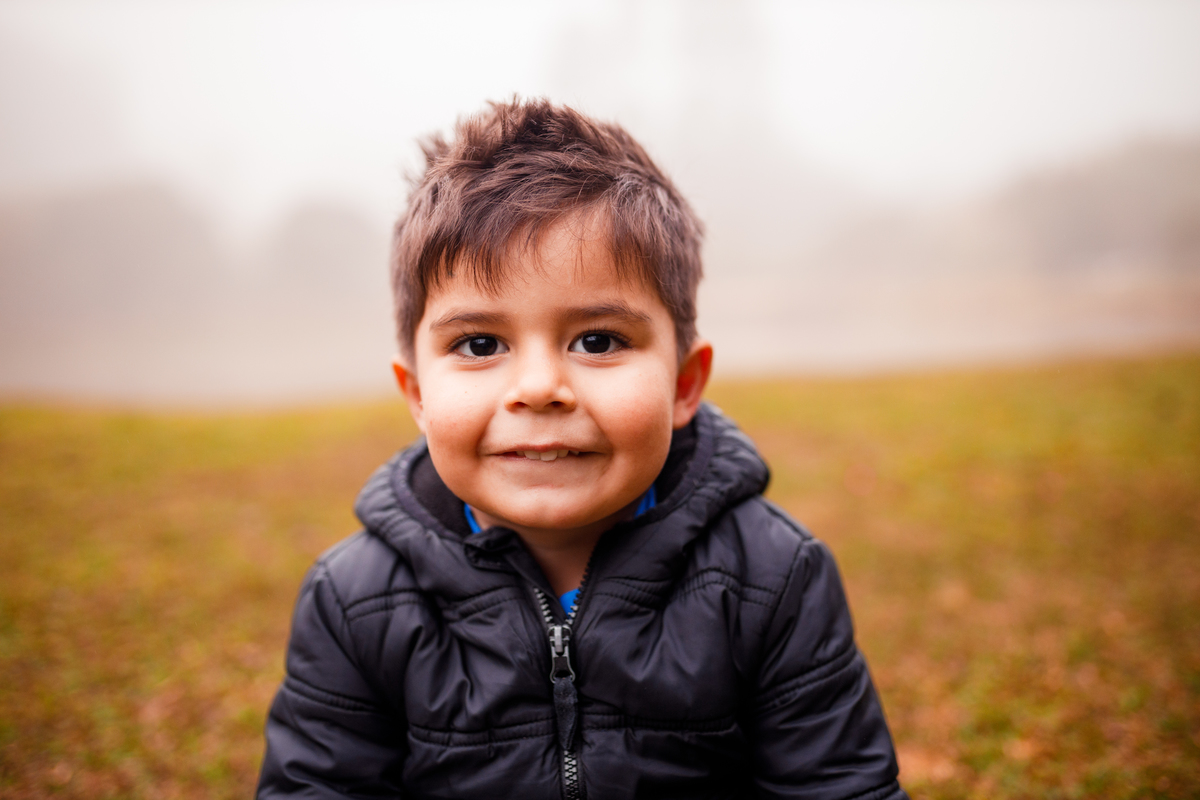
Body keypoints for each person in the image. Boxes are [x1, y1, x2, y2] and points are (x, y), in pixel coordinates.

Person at [257, 97, 906, 800]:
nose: (539, 388)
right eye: (480, 344)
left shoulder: (773, 578)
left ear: (684, 384)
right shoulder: (356, 602)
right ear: (417, 394)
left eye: (597, 340)